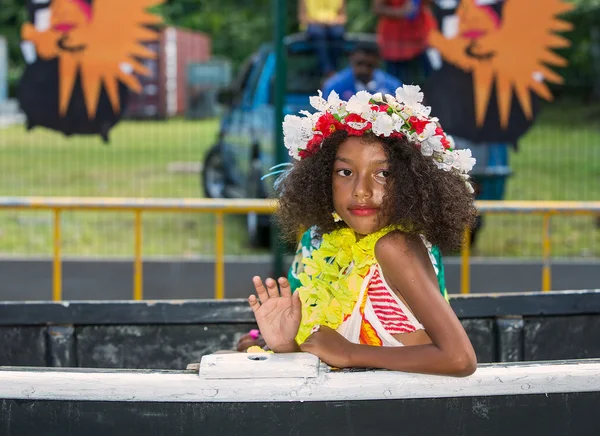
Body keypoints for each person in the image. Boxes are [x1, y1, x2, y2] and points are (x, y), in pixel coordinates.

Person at [245, 85, 478, 376]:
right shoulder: (334, 251)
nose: (362, 191)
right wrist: (286, 346)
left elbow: (460, 360)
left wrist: (350, 352)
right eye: (345, 172)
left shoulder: (394, 247)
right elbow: (332, 361)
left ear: (411, 182)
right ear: (321, 179)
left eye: (383, 174)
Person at [373, 0, 435, 84]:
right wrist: (401, 12)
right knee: (396, 84)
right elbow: (377, 8)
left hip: (421, 40)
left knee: (428, 81)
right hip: (395, 44)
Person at [322, 43, 402, 101]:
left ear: (378, 63)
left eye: (369, 65)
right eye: (359, 63)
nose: (364, 69)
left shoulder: (393, 86)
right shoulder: (334, 86)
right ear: (351, 59)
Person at [299, 0, 347, 78]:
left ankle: (332, 70)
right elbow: (302, 17)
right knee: (318, 33)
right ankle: (328, 71)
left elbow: (343, 17)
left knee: (338, 33)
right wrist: (318, 22)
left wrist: (333, 22)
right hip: (313, 26)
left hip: (333, 25)